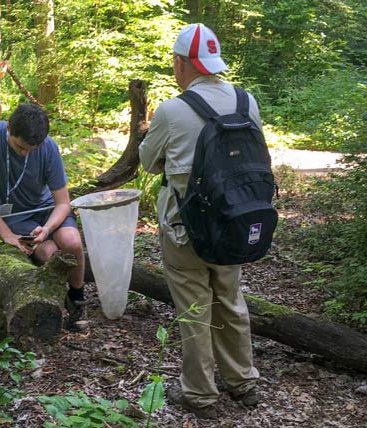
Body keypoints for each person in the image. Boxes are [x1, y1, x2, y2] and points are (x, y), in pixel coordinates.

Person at [139, 23, 261, 419]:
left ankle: (200, 393)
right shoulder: (247, 102)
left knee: (194, 308)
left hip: (184, 228)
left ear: (181, 63)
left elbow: (146, 161)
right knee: (230, 298)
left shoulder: (173, 111)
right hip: (234, 222)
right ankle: (242, 381)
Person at [0, 103, 88, 332]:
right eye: (20, 147)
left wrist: (47, 229)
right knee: (48, 253)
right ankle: (56, 299)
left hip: (46, 209)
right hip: (15, 217)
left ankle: (77, 299)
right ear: (9, 127)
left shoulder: (48, 148)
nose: (25, 152)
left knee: (72, 242)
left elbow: (63, 202)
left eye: (31, 149)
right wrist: (6, 234)